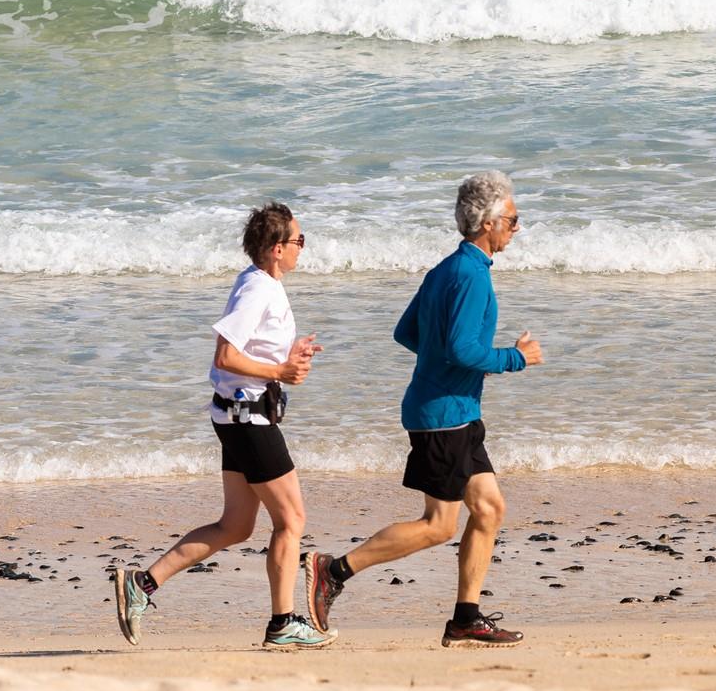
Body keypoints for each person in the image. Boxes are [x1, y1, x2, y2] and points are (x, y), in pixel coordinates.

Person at [302, 171, 542, 646]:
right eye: (513, 220)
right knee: (438, 525)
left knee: (490, 509)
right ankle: (335, 571)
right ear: (489, 222)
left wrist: (454, 365)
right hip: (443, 417)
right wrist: (515, 358)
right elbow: (461, 349)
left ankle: (465, 618)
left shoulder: (446, 269)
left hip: (456, 410)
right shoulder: (471, 275)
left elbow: (408, 334)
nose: (517, 228)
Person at [112, 201, 330, 649]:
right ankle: (283, 623)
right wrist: (280, 373)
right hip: (248, 418)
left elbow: (247, 353)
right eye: (299, 241)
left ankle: (142, 585)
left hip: (237, 414)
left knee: (235, 526)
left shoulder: (262, 283)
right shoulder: (259, 290)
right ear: (275, 248)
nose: (302, 249)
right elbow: (225, 357)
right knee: (291, 519)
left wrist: (289, 355)